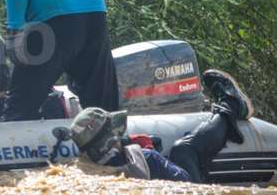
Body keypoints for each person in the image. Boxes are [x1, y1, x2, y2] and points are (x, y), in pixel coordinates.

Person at [63, 70, 254, 182]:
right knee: (184, 149)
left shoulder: (82, 170)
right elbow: (184, 183)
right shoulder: (147, 158)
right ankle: (231, 104)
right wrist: (148, 154)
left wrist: (127, 143)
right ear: (109, 142)